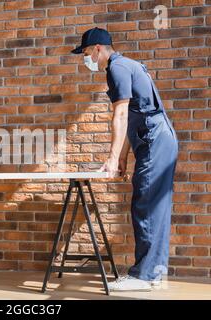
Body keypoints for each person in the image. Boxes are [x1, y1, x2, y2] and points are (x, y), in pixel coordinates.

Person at [72, 27, 178, 291]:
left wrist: (110, 158)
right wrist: (122, 158)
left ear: (97, 49)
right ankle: (152, 272)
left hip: (155, 140)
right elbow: (133, 117)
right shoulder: (127, 65)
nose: (86, 59)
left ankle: (144, 276)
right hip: (154, 139)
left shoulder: (117, 69)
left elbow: (120, 116)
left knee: (146, 204)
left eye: (86, 53)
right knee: (152, 204)